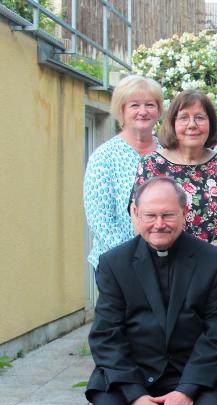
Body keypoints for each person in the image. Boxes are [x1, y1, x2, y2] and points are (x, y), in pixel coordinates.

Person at [86, 176, 217, 405]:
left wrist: (187, 390)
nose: (159, 224)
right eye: (150, 215)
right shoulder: (113, 264)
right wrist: (135, 396)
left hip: (194, 372)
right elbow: (107, 335)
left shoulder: (213, 262)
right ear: (135, 213)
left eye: (168, 215)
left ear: (184, 213)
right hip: (131, 373)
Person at [133, 89, 217, 286]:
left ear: (210, 124)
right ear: (173, 123)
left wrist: (210, 268)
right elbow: (141, 221)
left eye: (200, 118)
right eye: (184, 117)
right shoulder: (151, 165)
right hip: (165, 275)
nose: (192, 125)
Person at [84, 74, 163, 269]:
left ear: (159, 110)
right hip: (118, 263)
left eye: (150, 105)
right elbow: (101, 220)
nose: (143, 111)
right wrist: (137, 257)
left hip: (164, 262)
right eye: (134, 105)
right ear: (122, 110)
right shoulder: (104, 157)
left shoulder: (168, 154)